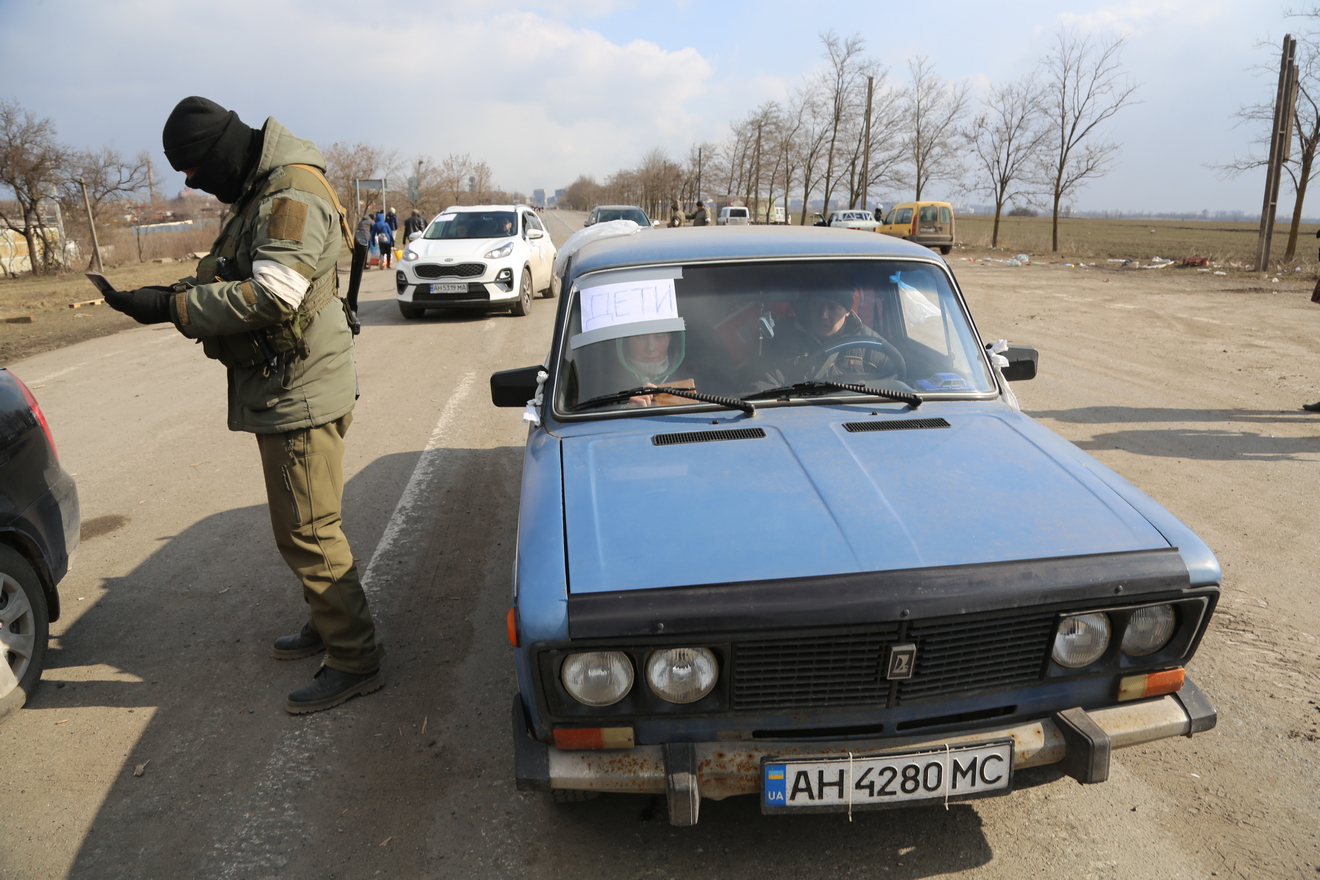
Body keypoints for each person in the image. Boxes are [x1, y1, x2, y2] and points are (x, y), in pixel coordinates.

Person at [101, 96, 385, 714]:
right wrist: (173, 294)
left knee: (309, 529)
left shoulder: (289, 197)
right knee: (305, 522)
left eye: (195, 169)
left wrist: (170, 308)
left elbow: (272, 294)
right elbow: (240, 274)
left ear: (223, 152)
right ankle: (327, 618)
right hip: (295, 382)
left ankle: (355, 655)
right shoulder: (266, 187)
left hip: (301, 392)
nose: (192, 183)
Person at [757, 289, 901, 384]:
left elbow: (896, 382)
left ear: (847, 311)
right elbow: (764, 383)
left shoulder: (872, 345)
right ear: (809, 306)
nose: (823, 315)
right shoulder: (783, 337)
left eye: (833, 307)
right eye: (817, 305)